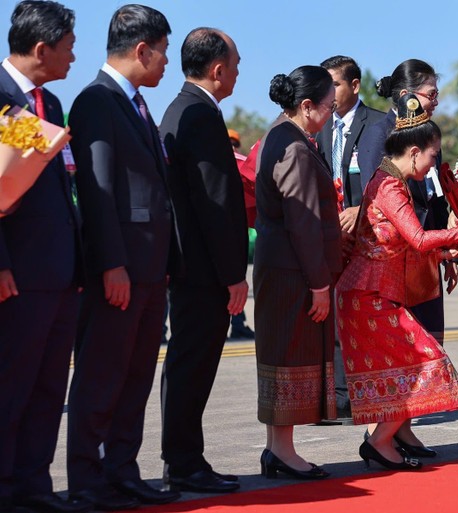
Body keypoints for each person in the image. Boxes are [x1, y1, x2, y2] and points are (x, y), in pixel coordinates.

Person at [336, 94, 458, 471]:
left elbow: (408, 249)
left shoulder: (388, 179)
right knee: (426, 362)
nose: (433, 163)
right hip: (368, 293)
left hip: (373, 291)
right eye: (432, 155)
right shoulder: (391, 188)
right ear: (413, 151)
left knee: (406, 366)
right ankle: (379, 440)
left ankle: (392, 436)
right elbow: (420, 240)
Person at [66, 4, 180, 510]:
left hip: (152, 270)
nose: (165, 64)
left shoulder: (134, 103)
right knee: (101, 377)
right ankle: (88, 481)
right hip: (121, 269)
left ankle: (123, 470)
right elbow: (97, 189)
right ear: (141, 50)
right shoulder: (96, 101)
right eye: (163, 54)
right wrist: (110, 263)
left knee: (134, 376)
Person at [0, 3, 86, 513]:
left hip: (58, 272)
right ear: (41, 49)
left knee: (48, 387)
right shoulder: (1, 99)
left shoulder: (49, 103)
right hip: (16, 275)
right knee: (9, 388)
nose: (74, 55)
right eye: (69, 46)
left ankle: (34, 486)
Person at [158, 27, 247, 494]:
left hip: (188, 264)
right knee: (192, 365)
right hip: (204, 270)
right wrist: (234, 274)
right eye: (235, 64)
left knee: (185, 363)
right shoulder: (200, 115)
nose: (237, 73)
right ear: (217, 70)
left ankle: (183, 457)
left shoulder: (177, 111)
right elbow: (214, 203)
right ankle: (185, 461)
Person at [356, 58, 452, 458]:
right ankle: (386, 435)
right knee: (411, 355)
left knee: (427, 342)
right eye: (429, 94)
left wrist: (446, 247)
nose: (434, 101)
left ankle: (403, 430)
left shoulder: (427, 134)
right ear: (406, 94)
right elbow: (374, 195)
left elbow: (436, 191)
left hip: (424, 255)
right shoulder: (380, 133)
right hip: (396, 258)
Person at [252, 65, 342, 480]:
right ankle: (285, 452)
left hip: (279, 266)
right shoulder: (295, 148)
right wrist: (320, 284)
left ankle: (277, 449)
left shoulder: (276, 134)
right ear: (306, 106)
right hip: (294, 271)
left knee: (279, 354)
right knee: (289, 357)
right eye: (328, 106)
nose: (330, 114)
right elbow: (303, 221)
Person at [316, 55, 385, 419]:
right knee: (336, 317)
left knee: (370, 316)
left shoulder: (378, 124)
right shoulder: (319, 126)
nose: (329, 93)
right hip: (332, 237)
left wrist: (363, 209)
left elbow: (392, 178)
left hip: (370, 236)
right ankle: (342, 394)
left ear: (355, 86)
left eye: (335, 85)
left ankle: (374, 391)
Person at [226, 128, 256, 340]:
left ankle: (238, 322)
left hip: (237, 237)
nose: (233, 147)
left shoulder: (240, 165)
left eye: (235, 143)